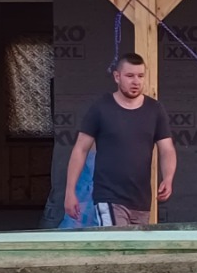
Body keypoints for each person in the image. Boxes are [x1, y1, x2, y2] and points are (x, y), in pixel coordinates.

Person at [64, 53, 175, 227]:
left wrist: (168, 178)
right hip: (108, 197)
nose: (136, 81)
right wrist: (70, 192)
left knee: (135, 252)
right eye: (130, 76)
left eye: (140, 76)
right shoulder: (101, 107)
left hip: (141, 200)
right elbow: (80, 149)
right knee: (118, 246)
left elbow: (167, 149)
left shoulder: (155, 109)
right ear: (117, 77)